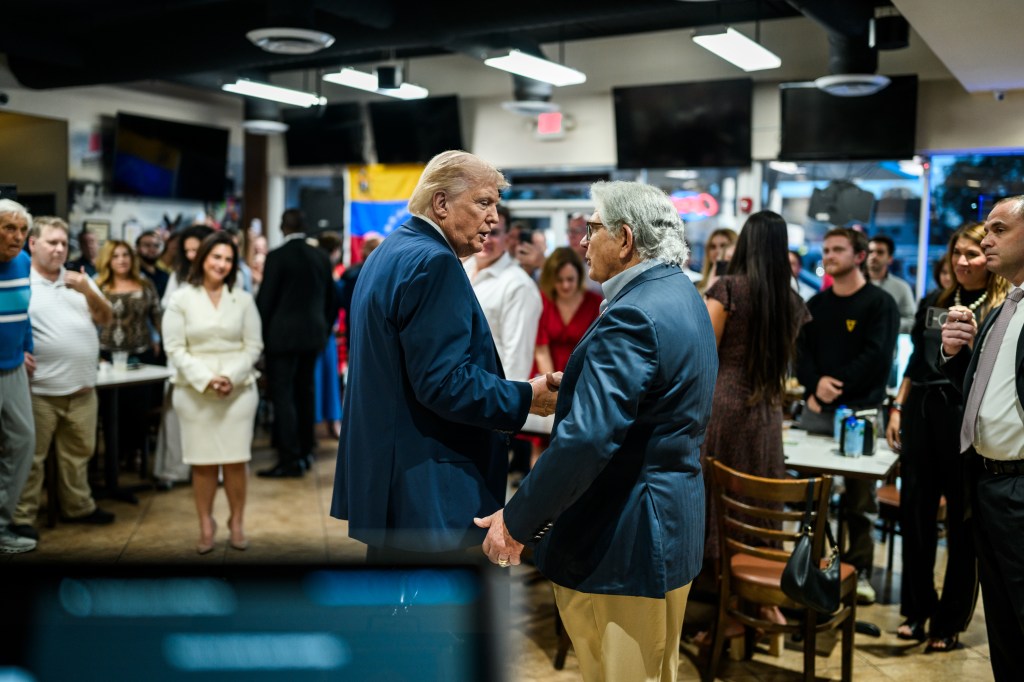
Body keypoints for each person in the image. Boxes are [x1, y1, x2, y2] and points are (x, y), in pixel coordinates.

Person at [476, 181, 718, 682]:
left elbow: (587, 440)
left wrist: (515, 522)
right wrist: (580, 384)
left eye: (592, 228)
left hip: (627, 536)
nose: (583, 241)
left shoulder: (632, 312)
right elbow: (659, 397)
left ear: (626, 239)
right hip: (667, 521)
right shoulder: (679, 292)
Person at [330, 150, 558, 560]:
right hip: (429, 488)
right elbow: (445, 383)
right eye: (483, 203)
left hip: (393, 480)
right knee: (431, 618)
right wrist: (526, 398)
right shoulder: (435, 262)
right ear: (441, 203)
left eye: (496, 206)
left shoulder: (390, 251)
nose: (494, 218)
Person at [886, 222, 1005, 651]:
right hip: (921, 409)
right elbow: (917, 362)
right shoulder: (933, 301)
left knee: (961, 523)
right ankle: (916, 611)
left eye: (972, 254)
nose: (962, 261)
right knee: (914, 516)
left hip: (963, 416)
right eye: (957, 253)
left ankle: (949, 621)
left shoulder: (997, 307)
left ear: (987, 260)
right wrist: (898, 408)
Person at [940, 195, 1024, 682]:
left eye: (998, 229)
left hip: (1019, 487)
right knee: (1004, 631)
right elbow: (984, 395)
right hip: (987, 484)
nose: (985, 239)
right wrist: (957, 356)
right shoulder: (1003, 306)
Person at [796, 227, 899, 605]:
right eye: (825, 249)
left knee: (859, 501)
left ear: (858, 256)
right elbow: (801, 354)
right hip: (818, 411)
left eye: (837, 249)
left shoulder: (879, 303)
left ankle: (859, 571)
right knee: (813, 495)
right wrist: (815, 385)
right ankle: (816, 564)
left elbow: (877, 356)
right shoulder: (818, 305)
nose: (829, 255)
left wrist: (834, 383)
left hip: (861, 412)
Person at [701, 211, 811, 566]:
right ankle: (758, 596)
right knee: (759, 498)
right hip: (766, 411)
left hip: (723, 405)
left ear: (745, 243)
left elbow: (702, 353)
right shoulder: (792, 302)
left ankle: (724, 598)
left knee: (719, 498)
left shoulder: (727, 288)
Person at [13, 216, 114, 539]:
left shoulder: (79, 279)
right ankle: (22, 516)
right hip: (39, 390)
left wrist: (88, 290)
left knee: (79, 455)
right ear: (32, 244)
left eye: (62, 243)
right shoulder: (21, 280)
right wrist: (16, 351)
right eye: (51, 242)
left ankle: (78, 507)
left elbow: (106, 318)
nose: (59, 249)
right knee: (31, 461)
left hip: (83, 387)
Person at [162, 232, 263, 554]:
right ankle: (206, 522)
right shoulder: (181, 299)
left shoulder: (243, 299)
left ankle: (236, 521)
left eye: (228, 259)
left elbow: (254, 346)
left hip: (239, 391)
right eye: (216, 257)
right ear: (202, 258)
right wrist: (206, 379)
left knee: (236, 461)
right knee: (202, 462)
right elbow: (175, 348)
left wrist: (230, 377)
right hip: (193, 392)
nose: (221, 264)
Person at [256, 210, 337, 478]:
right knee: (305, 392)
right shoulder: (321, 257)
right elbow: (332, 301)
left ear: (282, 227)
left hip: (281, 337)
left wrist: (261, 338)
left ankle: (289, 459)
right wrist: (323, 330)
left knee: (283, 396)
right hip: (313, 336)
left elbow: (265, 302)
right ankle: (306, 451)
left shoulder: (277, 257)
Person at [153, 224, 213, 489]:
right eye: (186, 250)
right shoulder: (178, 277)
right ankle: (174, 468)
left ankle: (212, 469)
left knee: (210, 416)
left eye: (195, 249)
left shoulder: (223, 275)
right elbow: (167, 311)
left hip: (211, 354)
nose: (190, 255)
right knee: (177, 415)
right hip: (182, 352)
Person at [95, 239, 163, 469]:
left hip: (140, 355)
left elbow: (158, 316)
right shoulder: (98, 285)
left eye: (126, 255)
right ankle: (115, 455)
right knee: (112, 410)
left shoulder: (145, 284)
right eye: (116, 256)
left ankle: (135, 453)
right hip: (107, 355)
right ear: (108, 260)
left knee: (138, 409)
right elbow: (87, 322)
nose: (122, 260)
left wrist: (160, 340)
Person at [463, 204, 542, 383]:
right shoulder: (463, 270)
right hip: (460, 391)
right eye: (481, 229)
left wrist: (504, 405)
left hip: (489, 397)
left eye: (495, 232)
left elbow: (516, 363)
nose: (487, 238)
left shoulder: (518, 286)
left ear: (508, 238)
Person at [0, 200, 37, 553]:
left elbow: (24, 313)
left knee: (24, 441)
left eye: (22, 230)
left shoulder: (24, 262)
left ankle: (1, 527)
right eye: (8, 228)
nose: (17, 236)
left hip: (12, 368)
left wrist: (28, 348)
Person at [868, 234, 916, 334]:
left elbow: (911, 322)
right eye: (870, 252)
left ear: (890, 258)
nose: (874, 256)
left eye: (880, 252)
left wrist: (887, 324)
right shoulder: (854, 285)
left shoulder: (902, 288)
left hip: (886, 348)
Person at [697, 227, 736, 292]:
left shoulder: (741, 285)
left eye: (723, 245)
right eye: (713, 247)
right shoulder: (697, 286)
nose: (717, 251)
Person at [135, 230, 170, 299]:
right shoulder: (133, 274)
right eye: (147, 245)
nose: (152, 249)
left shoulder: (165, 276)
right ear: (137, 248)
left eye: (156, 246)